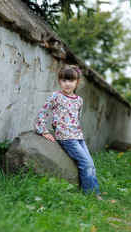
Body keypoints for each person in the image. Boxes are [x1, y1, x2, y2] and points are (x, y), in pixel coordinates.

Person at [34, 64, 101, 198]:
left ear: (77, 82)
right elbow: (43, 112)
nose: (67, 84)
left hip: (78, 136)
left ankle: (94, 192)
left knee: (91, 164)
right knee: (86, 163)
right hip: (66, 138)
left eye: (71, 80)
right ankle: (91, 195)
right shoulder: (55, 96)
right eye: (64, 80)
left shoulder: (79, 100)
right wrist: (43, 130)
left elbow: (77, 119)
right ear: (59, 81)